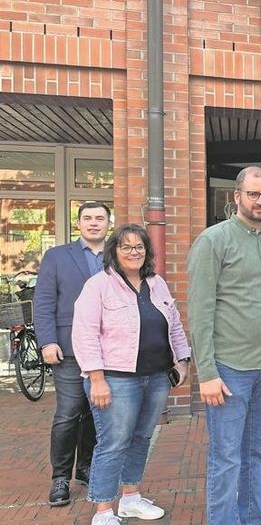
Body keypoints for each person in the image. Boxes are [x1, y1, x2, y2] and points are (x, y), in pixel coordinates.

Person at [187, 166, 261, 524]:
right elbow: (200, 310)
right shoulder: (213, 241)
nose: (260, 201)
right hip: (230, 369)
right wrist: (206, 372)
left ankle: (254, 519)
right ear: (237, 197)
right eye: (254, 194)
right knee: (227, 456)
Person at [71, 224, 192, 525]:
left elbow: (174, 325)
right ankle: (102, 511)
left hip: (156, 376)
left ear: (147, 252)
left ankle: (131, 498)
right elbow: (85, 335)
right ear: (114, 251)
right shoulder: (98, 286)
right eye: (126, 246)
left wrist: (183, 362)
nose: (133, 252)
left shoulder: (157, 283)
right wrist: (96, 379)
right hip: (115, 379)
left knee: (141, 438)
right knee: (114, 441)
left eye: (139, 247)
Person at [34, 201, 110, 506]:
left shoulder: (116, 256)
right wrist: (47, 341)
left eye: (100, 218)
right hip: (67, 349)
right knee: (68, 414)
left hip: (106, 350)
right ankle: (60, 479)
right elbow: (43, 302)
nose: (94, 223)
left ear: (108, 223)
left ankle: (86, 467)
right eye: (88, 218)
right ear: (78, 223)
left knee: (96, 411)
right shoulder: (56, 256)